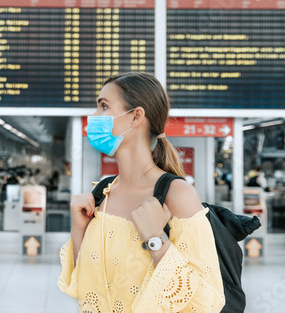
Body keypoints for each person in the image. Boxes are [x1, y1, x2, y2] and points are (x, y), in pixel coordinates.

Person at [57, 73, 225, 313]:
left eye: (104, 106)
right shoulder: (101, 193)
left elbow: (206, 304)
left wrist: (156, 239)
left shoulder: (176, 195)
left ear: (136, 116)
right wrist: (79, 230)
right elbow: (81, 288)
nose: (94, 118)